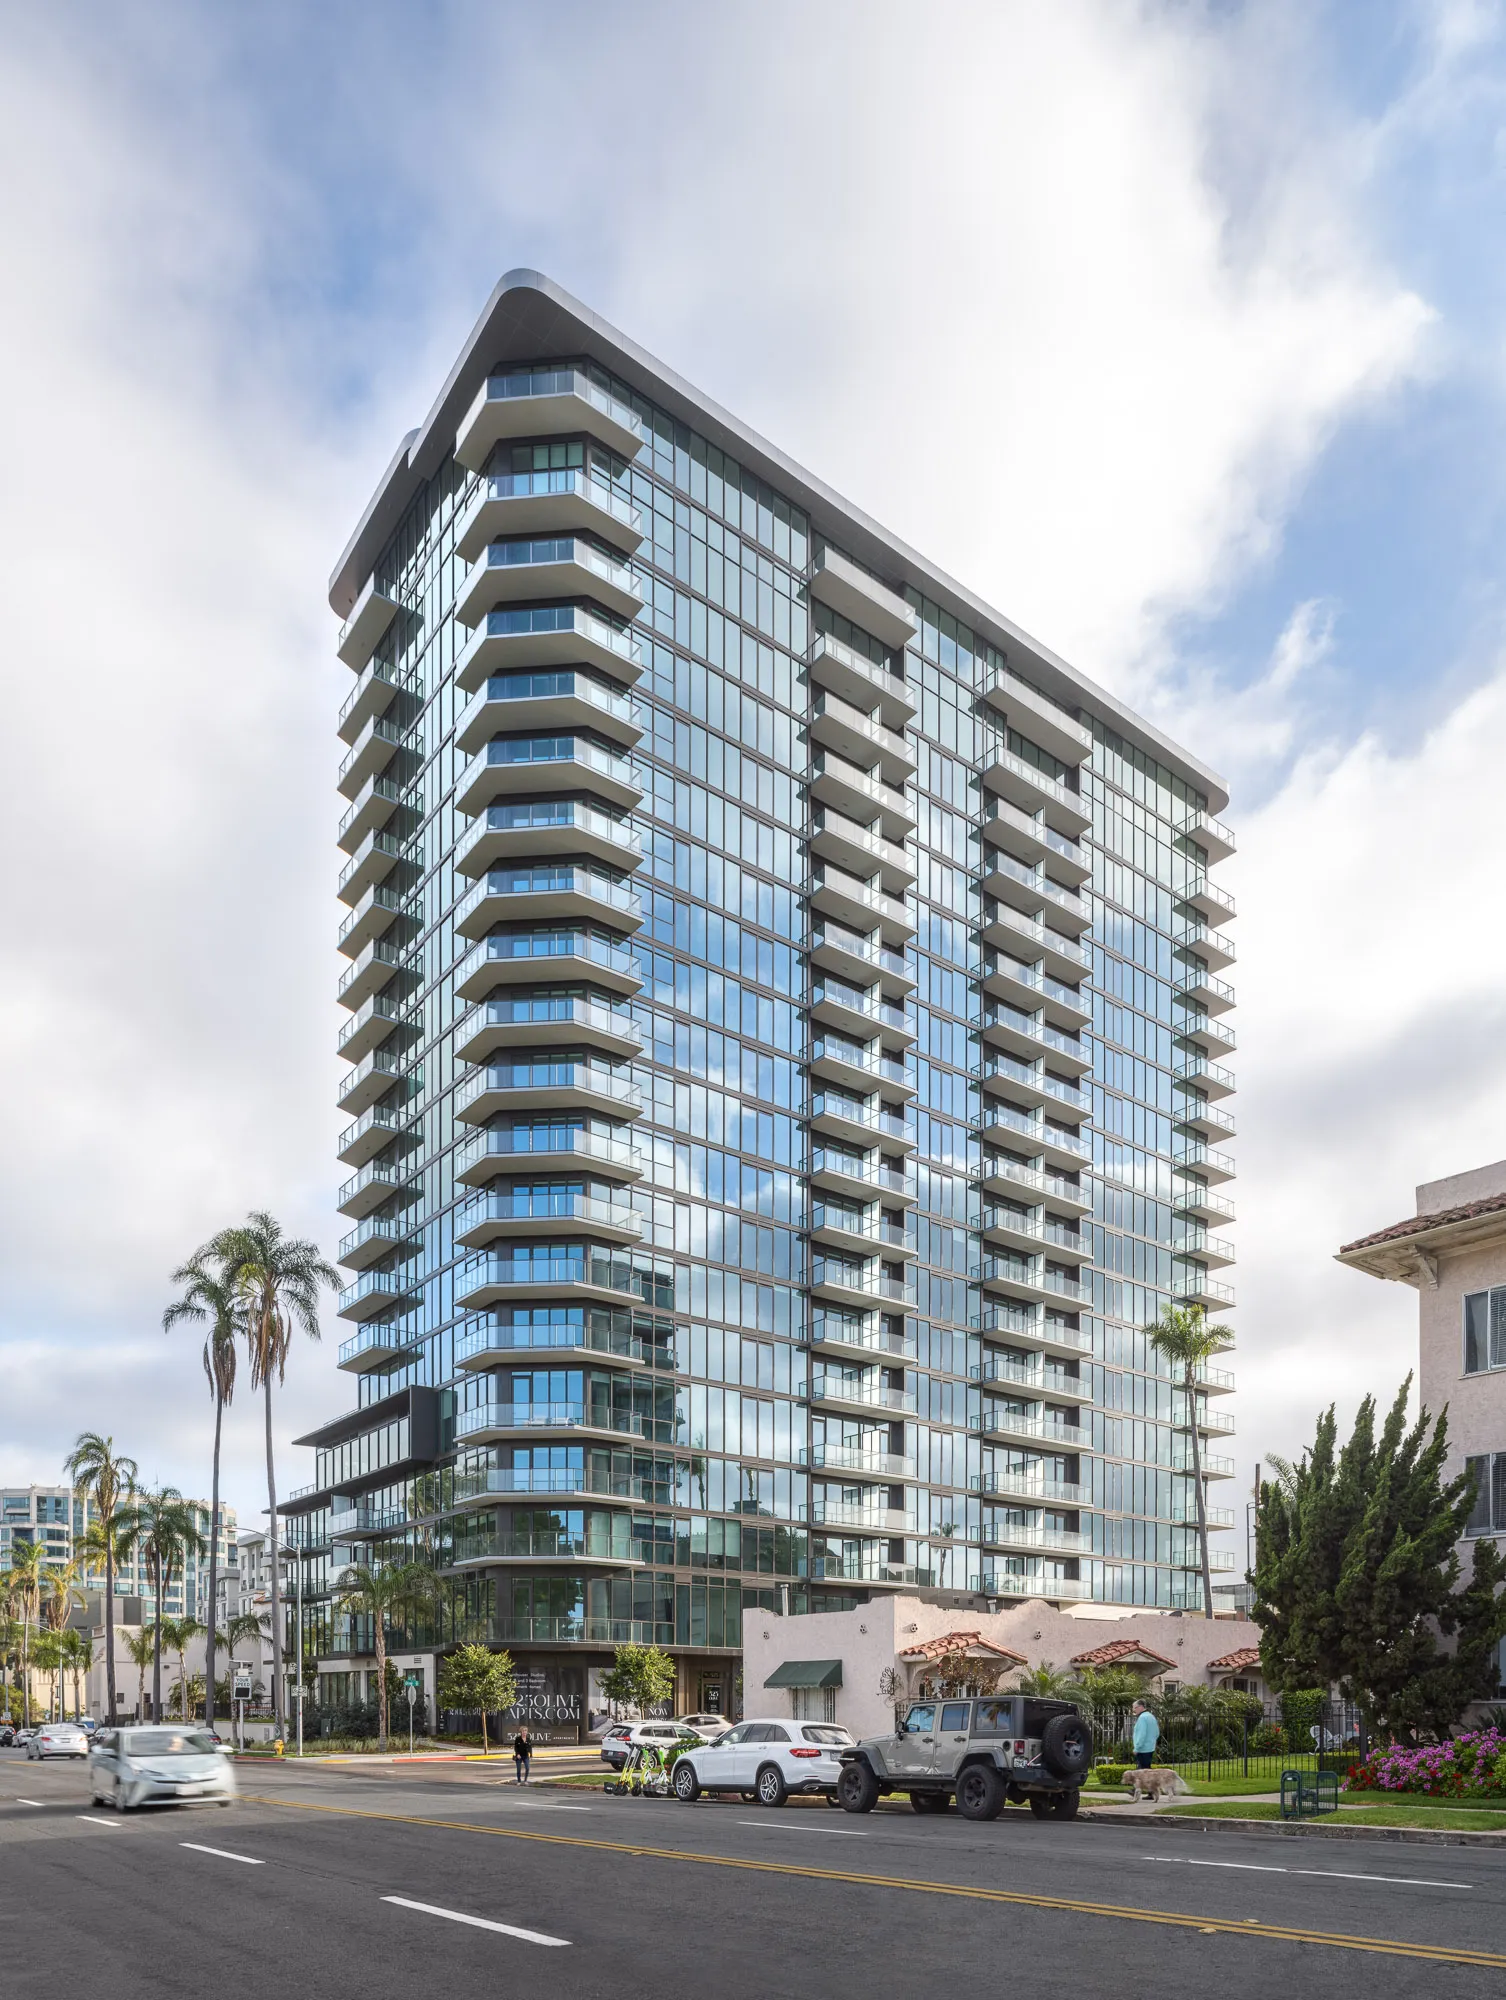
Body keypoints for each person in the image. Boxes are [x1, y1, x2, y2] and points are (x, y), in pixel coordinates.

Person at [1131, 1700, 1159, 1769]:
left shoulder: (1142, 1718)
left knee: (1143, 1773)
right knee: (1145, 1771)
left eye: (1135, 1708)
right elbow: (1157, 1733)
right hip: (1150, 1748)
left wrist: (1137, 1748)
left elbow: (1141, 1735)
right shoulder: (1151, 1716)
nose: (1133, 1710)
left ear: (1141, 1707)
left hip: (1142, 1750)